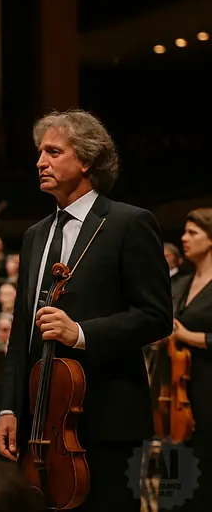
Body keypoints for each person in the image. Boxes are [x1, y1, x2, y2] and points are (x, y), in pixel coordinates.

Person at [0, 109, 173, 511]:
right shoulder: (34, 235)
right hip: (40, 425)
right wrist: (8, 407)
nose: (41, 162)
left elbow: (157, 315)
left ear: (87, 160)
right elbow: (22, 332)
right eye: (40, 153)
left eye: (54, 152)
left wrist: (81, 333)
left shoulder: (129, 223)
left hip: (108, 419)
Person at [164, 208, 212, 511]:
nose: (184, 238)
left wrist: (188, 336)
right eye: (184, 231)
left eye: (193, 232)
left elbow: (183, 332)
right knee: (178, 468)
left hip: (208, 386)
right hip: (176, 389)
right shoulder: (180, 283)